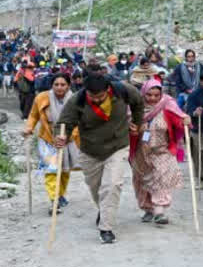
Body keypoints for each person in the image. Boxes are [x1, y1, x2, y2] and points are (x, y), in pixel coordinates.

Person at [55, 73, 145, 244]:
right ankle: (104, 211)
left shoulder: (124, 91)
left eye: (100, 96)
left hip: (117, 145)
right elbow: (64, 123)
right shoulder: (77, 100)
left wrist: (137, 122)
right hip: (90, 150)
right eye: (92, 96)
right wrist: (61, 136)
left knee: (112, 185)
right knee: (96, 188)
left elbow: (138, 103)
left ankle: (106, 228)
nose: (96, 100)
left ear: (108, 89)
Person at [131, 78, 190, 225]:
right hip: (141, 152)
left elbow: (178, 119)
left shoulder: (167, 106)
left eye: (156, 95)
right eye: (149, 95)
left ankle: (159, 211)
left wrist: (185, 120)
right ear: (143, 94)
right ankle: (147, 209)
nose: (153, 98)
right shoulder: (135, 109)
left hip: (162, 150)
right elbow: (128, 126)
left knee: (161, 178)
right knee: (143, 181)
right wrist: (132, 128)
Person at [22, 74, 81, 213]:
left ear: (68, 85)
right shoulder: (42, 98)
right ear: (52, 85)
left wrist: (67, 137)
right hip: (48, 139)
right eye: (56, 84)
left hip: (68, 139)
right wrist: (29, 127)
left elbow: (80, 123)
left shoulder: (76, 100)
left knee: (65, 171)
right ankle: (54, 200)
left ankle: (60, 194)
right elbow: (33, 115)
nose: (59, 87)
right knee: (51, 169)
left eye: (63, 84)